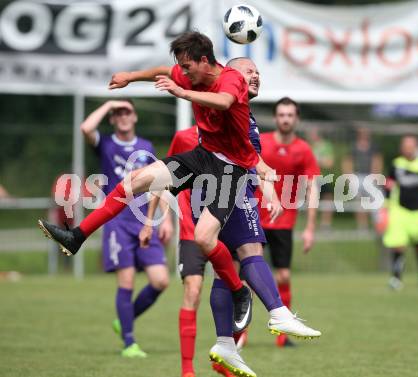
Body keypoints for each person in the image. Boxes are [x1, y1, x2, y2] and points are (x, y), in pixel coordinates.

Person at [38, 31, 278, 344]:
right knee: (133, 182)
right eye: (181, 66)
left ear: (204, 61)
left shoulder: (230, 85)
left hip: (227, 177)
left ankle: (246, 304)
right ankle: (77, 236)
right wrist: (131, 77)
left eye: (187, 66)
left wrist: (182, 92)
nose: (183, 71)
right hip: (201, 170)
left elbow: (228, 109)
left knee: (221, 248)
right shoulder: (190, 85)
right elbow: (164, 72)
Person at [143, 58, 320, 377]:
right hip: (210, 209)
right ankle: (271, 317)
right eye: (248, 72)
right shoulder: (197, 130)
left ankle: (228, 343)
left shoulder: (244, 120)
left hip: (225, 201)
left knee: (232, 270)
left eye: (257, 73)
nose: (255, 77)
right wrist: (155, 218)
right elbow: (167, 173)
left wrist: (265, 184)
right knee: (235, 263)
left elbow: (251, 158)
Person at [80, 100, 172, 357]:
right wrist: (110, 102)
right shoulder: (106, 144)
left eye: (127, 111)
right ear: (112, 118)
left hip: (145, 220)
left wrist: (165, 219)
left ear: (135, 117)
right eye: (117, 113)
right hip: (118, 221)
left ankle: (125, 319)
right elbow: (86, 128)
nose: (122, 116)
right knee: (127, 280)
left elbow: (160, 182)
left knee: (161, 280)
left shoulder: (146, 146)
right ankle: (129, 343)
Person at [257, 97, 320, 347]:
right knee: (247, 277)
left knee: (282, 275)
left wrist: (310, 228)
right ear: (276, 118)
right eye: (281, 115)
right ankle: (241, 334)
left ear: (297, 119)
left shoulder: (303, 150)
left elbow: (311, 188)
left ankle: (283, 335)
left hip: (283, 223)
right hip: (256, 219)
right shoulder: (261, 143)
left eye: (290, 115)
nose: (285, 119)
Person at [379, 135, 418, 290]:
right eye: (406, 146)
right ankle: (396, 278)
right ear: (401, 148)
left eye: (411, 146)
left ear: (416, 148)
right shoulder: (397, 165)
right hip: (400, 211)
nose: (408, 149)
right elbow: (389, 187)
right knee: (398, 245)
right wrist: (385, 210)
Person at [342, 127, 383, 230]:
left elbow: (377, 160)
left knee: (375, 200)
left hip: (370, 176)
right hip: (357, 176)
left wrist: (376, 175)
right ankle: (362, 226)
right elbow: (347, 161)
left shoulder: (373, 147)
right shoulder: (354, 147)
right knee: (359, 201)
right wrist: (348, 176)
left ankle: (377, 223)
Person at [308, 127, 335, 229]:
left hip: (324, 177)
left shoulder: (326, 145)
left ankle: (325, 224)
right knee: (310, 200)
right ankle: (311, 223)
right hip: (310, 178)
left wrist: (316, 160)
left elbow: (329, 163)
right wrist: (321, 160)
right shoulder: (307, 145)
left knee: (328, 199)